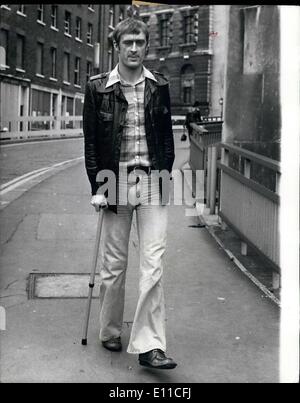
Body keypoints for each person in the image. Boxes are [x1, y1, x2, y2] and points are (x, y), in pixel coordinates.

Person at [83, 15, 177, 370]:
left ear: (146, 46)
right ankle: (109, 329)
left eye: (140, 42)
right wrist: (97, 187)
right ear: (117, 47)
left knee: (153, 263)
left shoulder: (159, 85)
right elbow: (91, 142)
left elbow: (166, 139)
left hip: (152, 181)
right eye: (128, 43)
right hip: (114, 180)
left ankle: (150, 345)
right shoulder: (97, 88)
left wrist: (166, 179)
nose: (134, 48)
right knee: (114, 266)